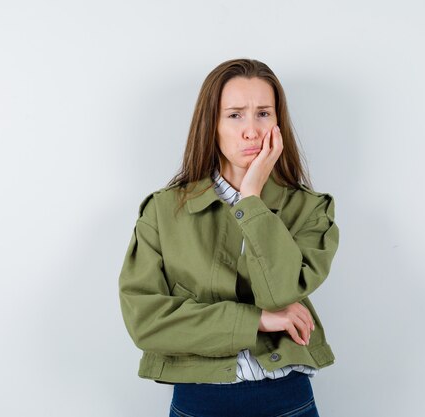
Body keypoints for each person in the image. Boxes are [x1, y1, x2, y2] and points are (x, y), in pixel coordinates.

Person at [118, 58, 340, 417]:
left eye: (264, 113)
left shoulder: (310, 209)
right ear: (212, 124)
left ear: (278, 123)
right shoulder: (162, 211)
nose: (251, 130)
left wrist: (251, 200)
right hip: (198, 403)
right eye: (235, 115)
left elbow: (282, 293)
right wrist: (258, 320)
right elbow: (146, 321)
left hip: (288, 401)